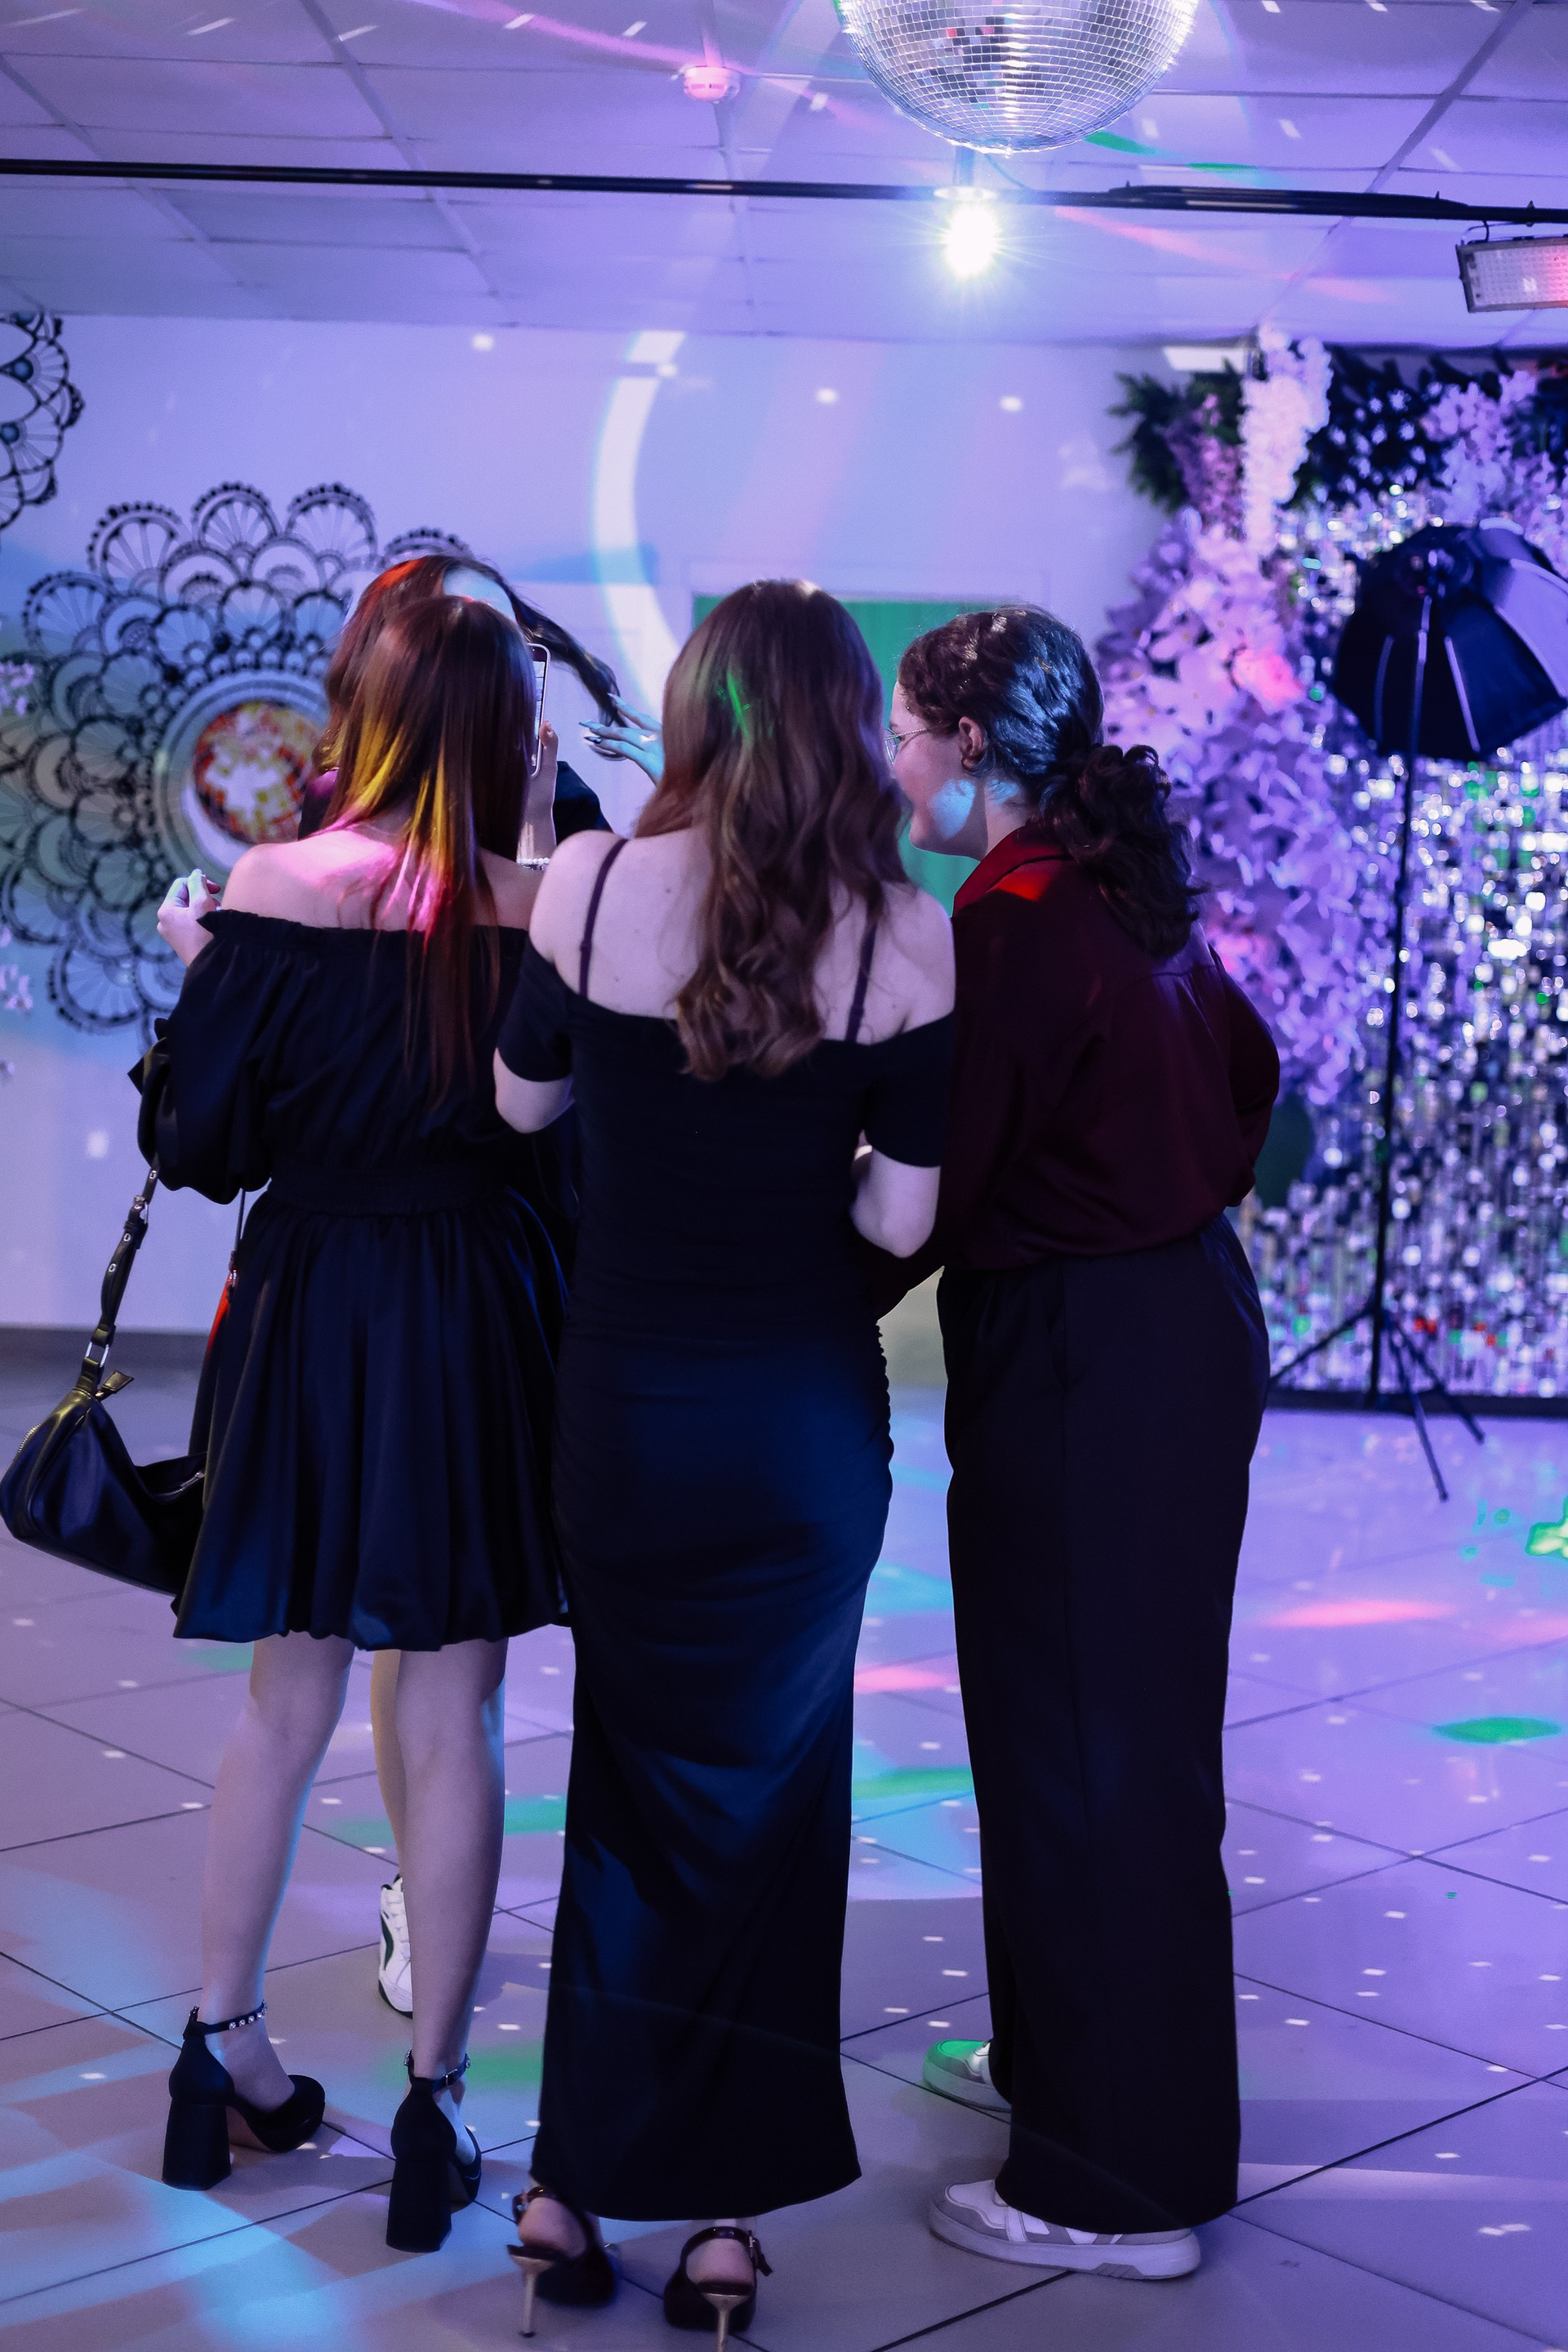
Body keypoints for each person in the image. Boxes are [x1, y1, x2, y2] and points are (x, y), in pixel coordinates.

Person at [492, 580, 955, 2342]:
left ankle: (566, 2185)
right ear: (846, 726)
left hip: (627, 1411)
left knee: (623, 1781)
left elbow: (523, 1104)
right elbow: (899, 1221)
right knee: (768, 1806)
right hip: (795, 1431)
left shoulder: (593, 883)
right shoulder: (905, 938)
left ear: (693, 715)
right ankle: (723, 2225)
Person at [140, 595, 567, 2254]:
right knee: (452, 1713)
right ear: (509, 733)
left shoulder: (273, 887)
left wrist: (215, 977)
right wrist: (536, 844)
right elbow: (560, 1136)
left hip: (311, 1301)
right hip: (469, 1314)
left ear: (368, 717)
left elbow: (203, 1145)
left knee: (283, 1701)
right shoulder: (533, 907)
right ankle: (434, 2099)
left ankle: (218, 2048)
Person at [871, 606, 1277, 2283]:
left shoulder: (1017, 921)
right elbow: (1248, 1078)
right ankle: (1071, 2070)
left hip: (1090, 1364)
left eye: (906, 735)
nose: (894, 766)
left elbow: (930, 1185)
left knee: (1092, 1760)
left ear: (969, 746)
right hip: (1172, 1329)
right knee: (1107, 1740)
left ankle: (1116, 2190)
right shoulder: (1114, 886)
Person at [291, 551, 637, 2020]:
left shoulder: (568, 829)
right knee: (399, 1626)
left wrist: (537, 838)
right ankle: (421, 1897)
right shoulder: (328, 837)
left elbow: (581, 1068)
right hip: (373, 1270)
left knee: (462, 1641)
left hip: (515, 1259)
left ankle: (440, 1926)